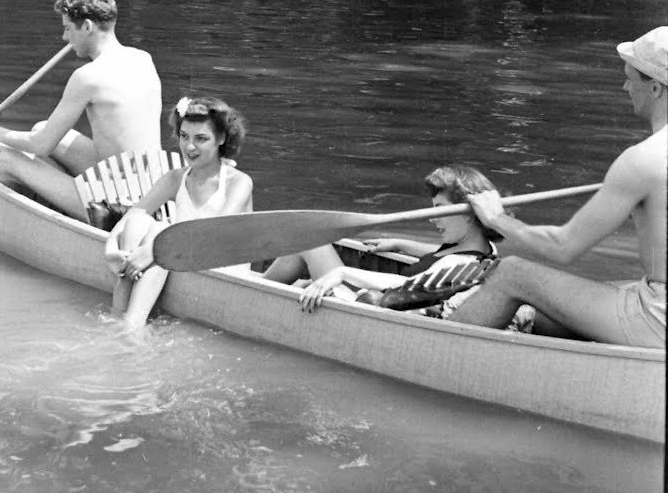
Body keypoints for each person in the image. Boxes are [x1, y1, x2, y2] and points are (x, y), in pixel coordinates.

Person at [449, 27, 667, 346]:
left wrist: (496, 218)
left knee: (512, 272)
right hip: (655, 299)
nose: (625, 86)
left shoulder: (643, 161)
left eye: (630, 77)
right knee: (565, 299)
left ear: (657, 88)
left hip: (658, 319)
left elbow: (562, 247)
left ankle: (423, 352)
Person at [0, 0, 162, 220]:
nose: (64, 37)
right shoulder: (143, 58)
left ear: (88, 27)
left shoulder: (88, 77)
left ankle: (64, 218)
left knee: (7, 160)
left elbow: (40, 146)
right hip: (157, 193)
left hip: (122, 208)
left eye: (68, 28)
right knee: (43, 128)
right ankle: (66, 201)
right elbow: (46, 137)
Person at [262, 165, 501, 315]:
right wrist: (400, 243)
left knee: (310, 242)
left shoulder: (455, 265)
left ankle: (250, 287)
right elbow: (439, 256)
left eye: (439, 209)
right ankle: (271, 288)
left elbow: (402, 286)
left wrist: (342, 273)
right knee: (302, 284)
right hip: (374, 294)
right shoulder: (481, 248)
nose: (432, 218)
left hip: (365, 303)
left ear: (467, 213)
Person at [104, 94, 253, 328]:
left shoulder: (239, 182)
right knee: (138, 223)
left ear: (222, 138)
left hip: (221, 268)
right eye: (184, 136)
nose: (189, 147)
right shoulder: (175, 178)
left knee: (160, 229)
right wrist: (111, 249)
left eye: (201, 138)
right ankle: (127, 318)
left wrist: (153, 250)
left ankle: (129, 320)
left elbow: (213, 233)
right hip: (180, 261)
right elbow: (133, 214)